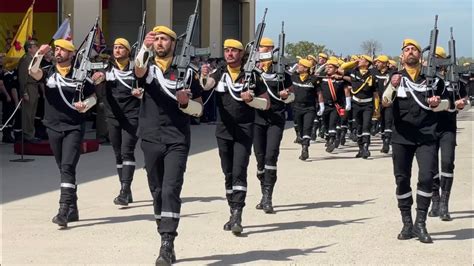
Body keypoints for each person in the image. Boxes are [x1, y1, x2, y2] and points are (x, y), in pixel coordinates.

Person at [134, 26, 203, 265]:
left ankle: (167, 242)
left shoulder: (187, 72)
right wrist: (144, 46)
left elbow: (199, 108)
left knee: (170, 189)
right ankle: (162, 228)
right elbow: (138, 70)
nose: (160, 43)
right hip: (151, 136)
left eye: (164, 39)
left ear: (174, 43)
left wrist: (186, 104)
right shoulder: (148, 67)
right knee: (156, 191)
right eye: (157, 39)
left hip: (177, 138)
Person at [200, 38, 269, 235]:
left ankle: (238, 213)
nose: (229, 53)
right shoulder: (219, 72)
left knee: (239, 170)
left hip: (244, 130)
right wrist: (203, 76)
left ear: (241, 54)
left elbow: (266, 104)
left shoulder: (253, 75)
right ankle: (232, 211)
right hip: (223, 131)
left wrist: (252, 100)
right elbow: (207, 86)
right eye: (226, 50)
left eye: (233, 51)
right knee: (228, 172)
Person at [28, 39, 99, 228]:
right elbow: (33, 72)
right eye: (57, 49)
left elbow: (93, 96)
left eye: (62, 50)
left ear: (71, 54)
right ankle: (73, 208)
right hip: (52, 126)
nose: (58, 52)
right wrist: (39, 54)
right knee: (63, 168)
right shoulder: (50, 72)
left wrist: (86, 105)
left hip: (74, 126)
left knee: (67, 167)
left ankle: (63, 210)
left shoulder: (81, 75)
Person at [382, 39, 444, 243]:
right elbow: (385, 102)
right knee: (401, 179)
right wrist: (392, 86)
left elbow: (449, 103)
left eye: (414, 50)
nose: (410, 52)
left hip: (426, 134)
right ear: (402, 57)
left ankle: (421, 223)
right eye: (407, 50)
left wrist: (438, 103)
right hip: (402, 136)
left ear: (420, 56)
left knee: (427, 177)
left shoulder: (433, 79)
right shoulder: (395, 78)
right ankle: (407, 222)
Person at [93, 38, 141, 206]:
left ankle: (124, 191)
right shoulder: (107, 69)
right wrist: (98, 81)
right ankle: (126, 190)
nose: (117, 50)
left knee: (127, 151)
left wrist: (140, 94)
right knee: (117, 153)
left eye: (121, 48)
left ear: (128, 51)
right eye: (115, 47)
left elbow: (146, 90)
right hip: (113, 115)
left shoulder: (136, 70)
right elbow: (99, 92)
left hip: (131, 115)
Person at [252, 37, 293, 213]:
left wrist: (285, 95)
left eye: (264, 48)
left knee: (271, 157)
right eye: (260, 47)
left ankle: (268, 197)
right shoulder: (252, 72)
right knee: (260, 159)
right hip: (256, 119)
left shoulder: (281, 73)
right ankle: (263, 193)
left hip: (275, 118)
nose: (261, 50)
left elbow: (292, 96)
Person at [428, 46, 468, 221]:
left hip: (448, 127)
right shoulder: (426, 79)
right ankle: (435, 199)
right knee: (430, 166)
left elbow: (465, 99)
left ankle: (445, 203)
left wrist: (461, 103)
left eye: (438, 58)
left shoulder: (455, 80)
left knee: (447, 163)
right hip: (428, 127)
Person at [343, 55, 379, 159]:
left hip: (367, 104)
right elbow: (342, 68)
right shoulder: (354, 72)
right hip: (356, 104)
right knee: (358, 126)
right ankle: (360, 149)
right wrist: (353, 63)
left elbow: (375, 93)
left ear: (367, 63)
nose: (359, 60)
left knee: (366, 126)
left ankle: (366, 147)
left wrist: (377, 108)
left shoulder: (372, 74)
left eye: (362, 59)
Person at [291, 58, 323, 160]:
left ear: (306, 69)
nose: (298, 66)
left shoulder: (313, 79)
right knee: (300, 129)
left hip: (309, 108)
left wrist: (321, 105)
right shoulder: (294, 77)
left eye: (300, 65)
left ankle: (305, 149)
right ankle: (303, 143)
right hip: (296, 107)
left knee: (307, 128)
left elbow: (319, 93)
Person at [317, 58, 350, 152]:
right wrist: (323, 66)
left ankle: (332, 140)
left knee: (333, 123)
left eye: (330, 67)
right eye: (327, 67)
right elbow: (314, 75)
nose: (328, 68)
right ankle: (329, 138)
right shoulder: (323, 76)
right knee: (325, 123)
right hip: (324, 105)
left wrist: (342, 75)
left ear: (336, 69)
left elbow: (350, 84)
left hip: (336, 105)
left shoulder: (340, 78)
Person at [18, 39, 40, 142]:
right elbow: (22, 77)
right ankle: (27, 135)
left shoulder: (33, 59)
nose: (36, 48)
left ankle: (31, 133)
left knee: (32, 113)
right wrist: (24, 92)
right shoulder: (25, 59)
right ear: (29, 49)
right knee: (27, 113)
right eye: (35, 47)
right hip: (28, 87)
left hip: (34, 87)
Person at [373, 55, 393, 153]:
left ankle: (386, 142)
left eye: (379, 62)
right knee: (382, 122)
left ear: (385, 63)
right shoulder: (374, 72)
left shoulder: (392, 73)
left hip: (389, 103)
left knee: (388, 121)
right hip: (378, 102)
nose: (377, 64)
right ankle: (383, 139)